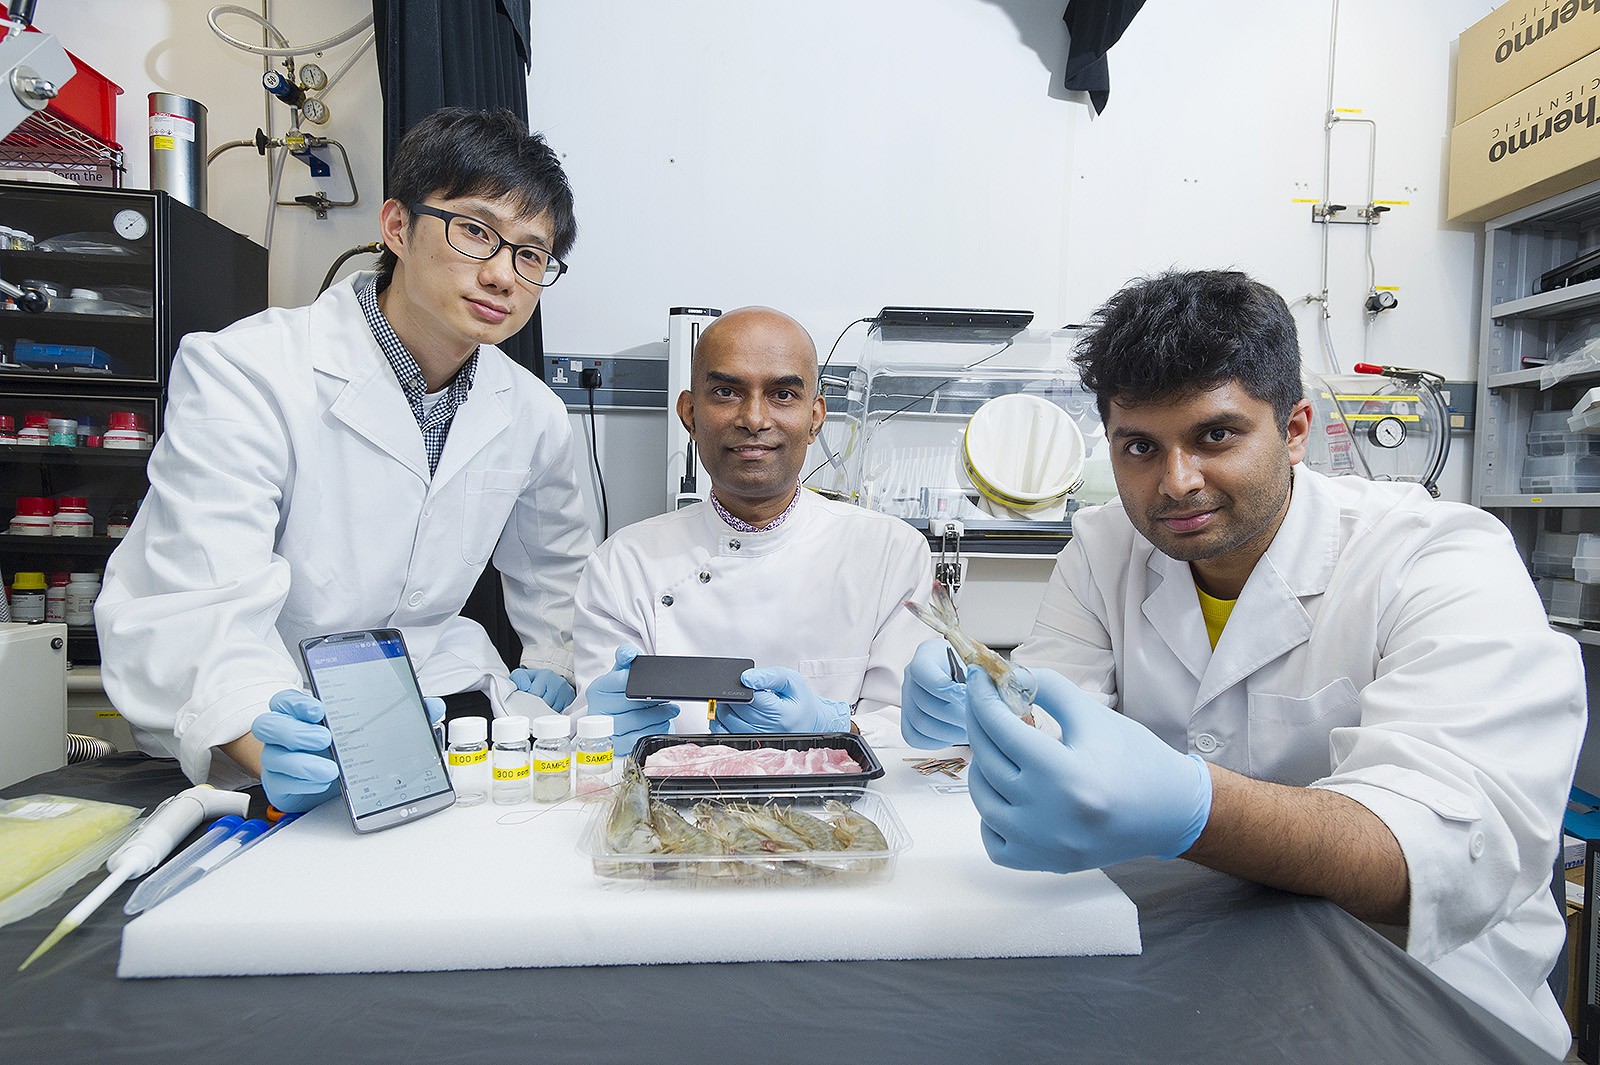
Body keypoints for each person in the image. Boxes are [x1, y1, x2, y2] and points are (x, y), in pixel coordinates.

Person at [900, 269, 1586, 1055]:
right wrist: (980, 706)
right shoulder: (1103, 549)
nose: (1176, 481)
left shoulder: (1438, 557)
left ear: (1295, 428)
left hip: (1421, 1001)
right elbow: (1042, 738)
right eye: (1140, 447)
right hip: (1196, 979)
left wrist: (1194, 807)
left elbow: (1437, 853)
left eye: (1215, 435)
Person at [97, 108, 595, 812]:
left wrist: (553, 665)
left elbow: (558, 573)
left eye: (531, 254)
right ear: (397, 225)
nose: (502, 275)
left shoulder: (534, 412)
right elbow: (201, 592)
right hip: (279, 690)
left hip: (443, 697)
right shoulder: (249, 370)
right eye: (476, 231)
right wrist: (265, 738)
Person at [570, 305, 932, 750]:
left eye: (782, 395)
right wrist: (600, 731)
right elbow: (590, 731)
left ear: (816, 417)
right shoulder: (623, 564)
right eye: (725, 392)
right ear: (689, 413)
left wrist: (830, 726)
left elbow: (910, 727)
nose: (755, 419)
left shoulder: (890, 553)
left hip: (836, 809)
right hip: (668, 803)